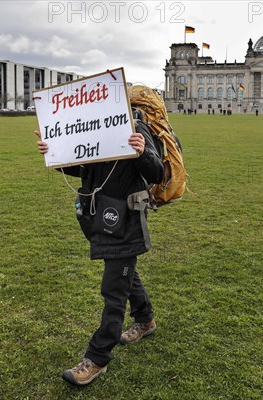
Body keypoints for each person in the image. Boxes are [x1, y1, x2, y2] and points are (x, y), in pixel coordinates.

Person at [34, 116, 164, 385]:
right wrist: (54, 154)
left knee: (113, 290)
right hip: (100, 219)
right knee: (124, 273)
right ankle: (146, 319)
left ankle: (96, 359)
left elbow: (158, 172)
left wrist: (140, 152)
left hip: (126, 221)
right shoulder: (99, 128)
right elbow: (85, 169)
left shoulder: (136, 128)